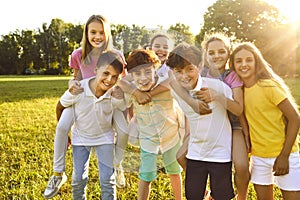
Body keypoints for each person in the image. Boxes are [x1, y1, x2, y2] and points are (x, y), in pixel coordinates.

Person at [44, 14, 127, 199]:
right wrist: (71, 84)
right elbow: (75, 77)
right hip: (83, 98)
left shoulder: (116, 55)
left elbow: (122, 80)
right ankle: (58, 174)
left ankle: (118, 164)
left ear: (108, 34)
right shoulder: (78, 54)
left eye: (101, 33)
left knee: (124, 129)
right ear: (87, 33)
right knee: (62, 125)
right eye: (93, 32)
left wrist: (120, 92)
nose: (97, 36)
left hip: (107, 99)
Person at [230, 42, 300, 199]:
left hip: (284, 155)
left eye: (249, 60)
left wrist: (284, 156)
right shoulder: (239, 91)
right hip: (259, 157)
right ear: (233, 65)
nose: (244, 64)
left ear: (256, 62)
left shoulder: (268, 86)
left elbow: (295, 118)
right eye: (238, 61)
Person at [166, 42, 235, 200]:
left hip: (220, 154)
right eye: (178, 71)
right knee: (193, 196)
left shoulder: (217, 87)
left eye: (190, 69)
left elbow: (237, 110)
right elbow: (170, 81)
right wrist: (192, 103)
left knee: (222, 196)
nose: (184, 76)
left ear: (200, 65)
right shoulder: (177, 90)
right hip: (196, 154)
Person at [59, 51, 125, 199]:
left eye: (114, 77)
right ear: (96, 70)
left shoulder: (114, 93)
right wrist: (65, 133)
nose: (109, 80)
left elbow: (122, 113)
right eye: (106, 73)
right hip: (80, 138)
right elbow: (60, 106)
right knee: (78, 180)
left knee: (108, 180)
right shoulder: (79, 89)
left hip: (105, 138)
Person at [120, 49, 183, 200]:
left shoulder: (165, 84)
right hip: (148, 139)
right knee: (146, 175)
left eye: (148, 72)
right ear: (131, 75)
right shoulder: (132, 91)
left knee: (174, 171)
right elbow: (120, 83)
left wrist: (149, 94)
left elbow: (174, 80)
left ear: (156, 70)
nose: (143, 78)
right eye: (137, 74)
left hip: (171, 136)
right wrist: (136, 93)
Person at [198, 32, 250, 200]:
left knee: (241, 166)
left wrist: (218, 96)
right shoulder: (201, 74)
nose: (216, 56)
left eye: (221, 51)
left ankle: (241, 197)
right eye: (211, 52)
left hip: (233, 125)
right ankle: (209, 193)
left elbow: (238, 109)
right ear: (205, 54)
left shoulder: (232, 76)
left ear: (228, 52)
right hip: (210, 126)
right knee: (182, 156)